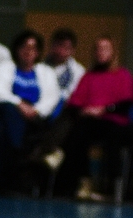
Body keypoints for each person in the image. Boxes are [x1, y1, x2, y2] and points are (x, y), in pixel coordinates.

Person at [0, 30, 60, 192]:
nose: (28, 51)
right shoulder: (4, 67)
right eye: (24, 47)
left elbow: (53, 97)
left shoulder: (46, 72)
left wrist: (35, 110)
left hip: (29, 118)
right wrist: (18, 104)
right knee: (9, 110)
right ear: (16, 49)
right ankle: (18, 156)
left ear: (38, 52)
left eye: (33, 48)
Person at [55, 36, 133, 199]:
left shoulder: (122, 75)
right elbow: (74, 103)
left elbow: (125, 103)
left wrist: (104, 109)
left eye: (105, 49)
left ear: (113, 52)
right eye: (98, 49)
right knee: (77, 132)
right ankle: (82, 181)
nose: (101, 52)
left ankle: (111, 186)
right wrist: (85, 111)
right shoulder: (88, 77)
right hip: (91, 122)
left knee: (114, 136)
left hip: (115, 122)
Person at [45, 27, 85, 115]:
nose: (61, 51)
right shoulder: (40, 67)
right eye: (59, 46)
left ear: (73, 51)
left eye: (66, 48)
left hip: (66, 112)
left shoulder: (78, 71)